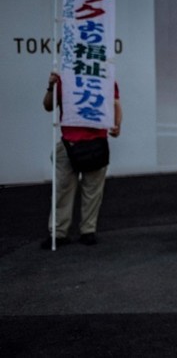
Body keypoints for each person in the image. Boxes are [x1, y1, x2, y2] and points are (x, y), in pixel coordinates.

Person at [41, 72, 122, 249]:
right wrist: (51, 87)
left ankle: (88, 230)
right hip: (69, 143)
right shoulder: (64, 79)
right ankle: (59, 233)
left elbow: (115, 103)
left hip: (96, 143)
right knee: (63, 190)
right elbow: (48, 106)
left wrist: (117, 124)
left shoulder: (105, 78)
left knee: (92, 191)